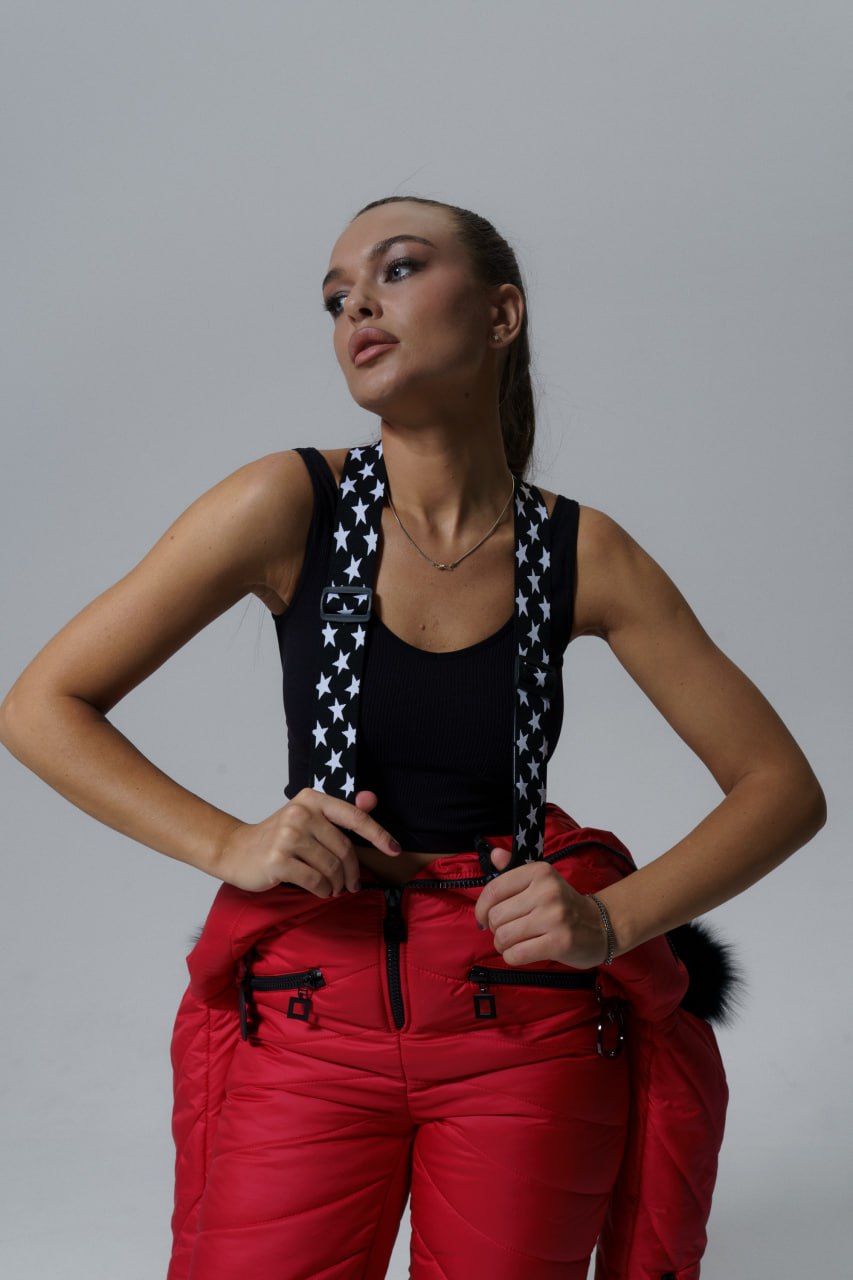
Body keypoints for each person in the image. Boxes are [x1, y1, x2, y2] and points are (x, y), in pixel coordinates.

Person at [0, 195, 826, 1279]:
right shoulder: (285, 501)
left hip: (520, 1026)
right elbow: (40, 705)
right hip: (304, 1017)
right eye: (336, 296)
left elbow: (780, 787)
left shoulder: (583, 553)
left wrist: (611, 918)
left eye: (395, 270)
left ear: (500, 313)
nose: (356, 308)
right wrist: (226, 842)